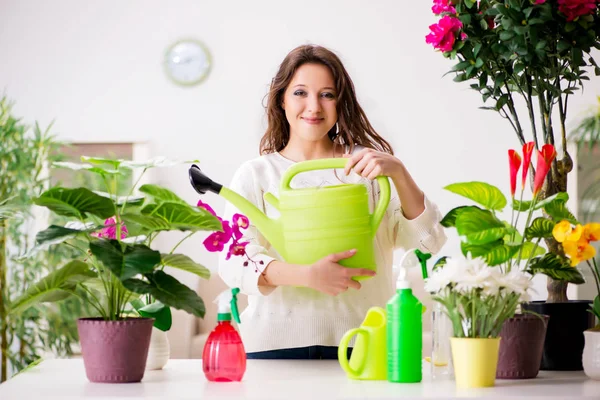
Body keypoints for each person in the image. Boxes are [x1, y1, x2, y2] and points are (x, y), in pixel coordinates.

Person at [217, 44, 447, 360]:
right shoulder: (256, 174)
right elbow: (233, 260)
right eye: (300, 93)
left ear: (341, 103)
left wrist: (399, 171)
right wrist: (306, 276)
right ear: (281, 98)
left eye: (327, 94)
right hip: (275, 347)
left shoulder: (368, 169)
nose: (314, 106)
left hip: (366, 341)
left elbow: (427, 242)